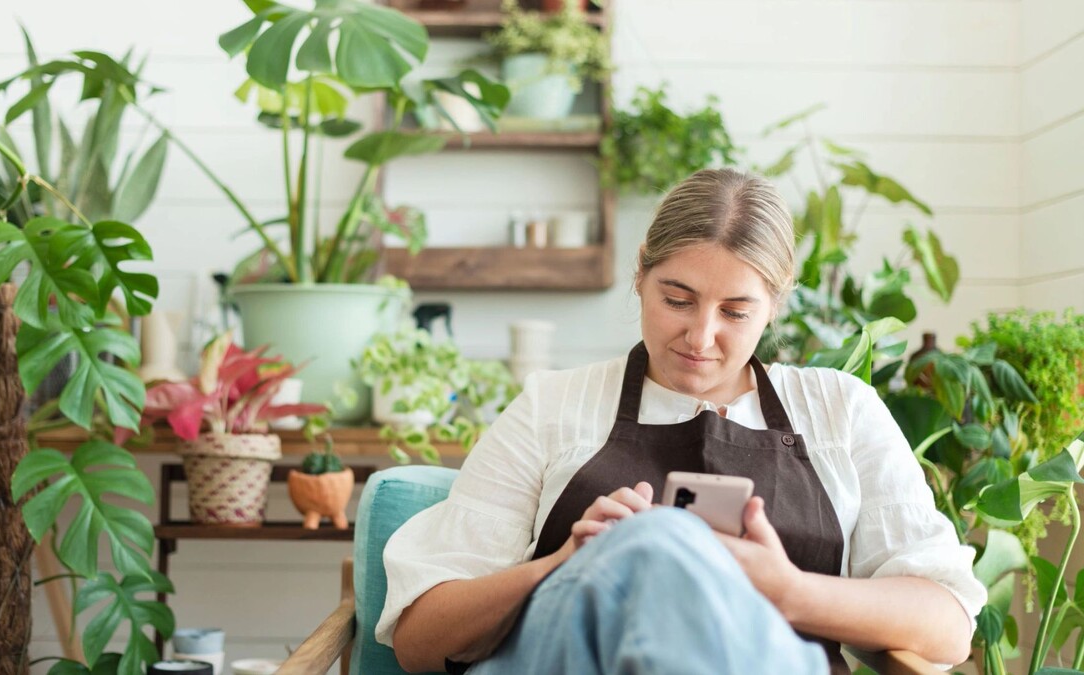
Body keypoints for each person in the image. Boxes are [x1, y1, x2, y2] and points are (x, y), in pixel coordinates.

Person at [377, 169, 985, 674]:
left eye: (736, 312)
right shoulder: (552, 407)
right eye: (677, 299)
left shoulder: (840, 411)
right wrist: (565, 563)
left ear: (775, 304)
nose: (700, 337)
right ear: (640, 273)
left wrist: (788, 592)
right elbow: (420, 639)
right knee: (658, 543)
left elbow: (948, 622)